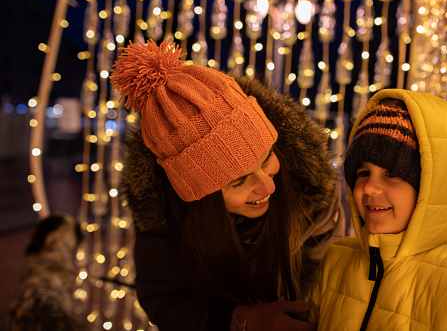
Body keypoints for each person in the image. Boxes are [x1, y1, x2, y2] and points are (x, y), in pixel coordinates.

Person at [110, 39, 345, 331]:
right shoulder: (163, 212)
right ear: (200, 196)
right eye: (239, 181)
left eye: (267, 158)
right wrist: (239, 320)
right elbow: (163, 298)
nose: (268, 187)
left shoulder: (310, 189)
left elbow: (331, 286)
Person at [308, 89, 447, 330]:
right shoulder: (337, 260)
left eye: (392, 173)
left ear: (433, 186)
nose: (369, 187)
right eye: (363, 173)